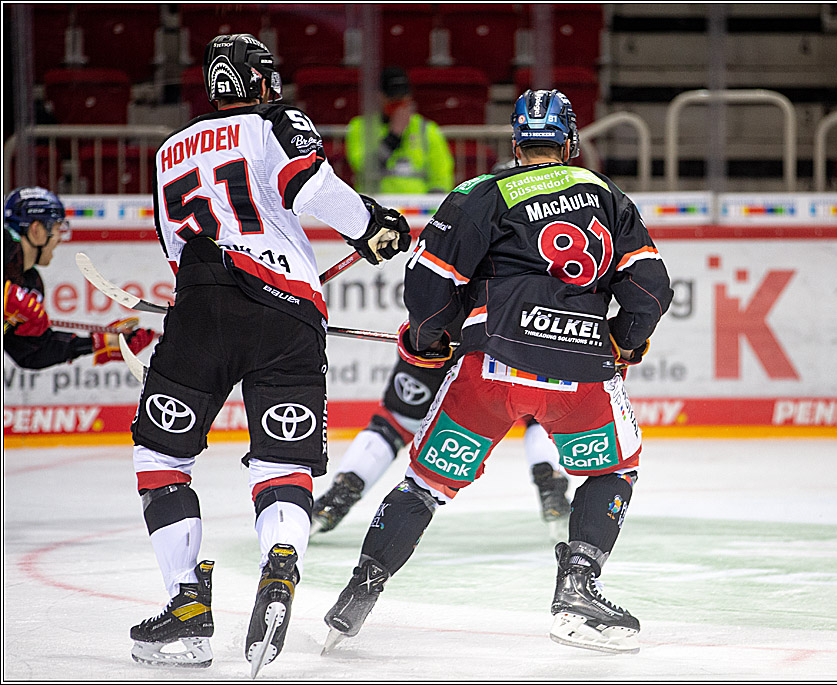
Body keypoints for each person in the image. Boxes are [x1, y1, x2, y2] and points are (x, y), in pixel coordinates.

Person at [321, 89, 673, 655]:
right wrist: (624, 342)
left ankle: (361, 588)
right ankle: (578, 588)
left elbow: (431, 291)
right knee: (613, 472)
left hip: (490, 372)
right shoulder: (608, 196)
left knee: (425, 486)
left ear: (515, 142)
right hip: (580, 373)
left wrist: (426, 342)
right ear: (569, 142)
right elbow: (649, 288)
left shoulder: (478, 194)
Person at [126, 33, 410, 672]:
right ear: (261, 83)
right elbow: (312, 189)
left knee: (161, 456)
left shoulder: (169, 150)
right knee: (283, 461)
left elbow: (178, 251)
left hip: (199, 308)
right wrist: (373, 225)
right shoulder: (276, 121)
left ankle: (186, 610)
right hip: (288, 313)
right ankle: (280, 570)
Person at [311, 358, 572, 539]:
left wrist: (422, 339)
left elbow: (432, 288)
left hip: (441, 339)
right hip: (505, 341)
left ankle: (336, 500)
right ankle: (552, 492)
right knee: (538, 411)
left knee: (396, 422)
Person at [3, 186, 156, 369]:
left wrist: (99, 342)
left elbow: (32, 353)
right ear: (36, 230)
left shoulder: (32, 284)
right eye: (58, 228)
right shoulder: (5, 246)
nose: (60, 238)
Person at [345, 66, 454, 194]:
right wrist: (393, 137)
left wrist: (431, 208)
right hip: (377, 206)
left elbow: (442, 178)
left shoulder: (427, 129)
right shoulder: (360, 127)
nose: (399, 102)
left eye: (403, 97)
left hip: (419, 209)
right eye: (393, 98)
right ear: (378, 96)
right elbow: (364, 169)